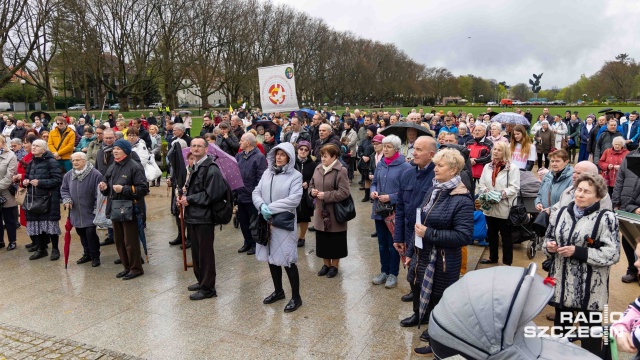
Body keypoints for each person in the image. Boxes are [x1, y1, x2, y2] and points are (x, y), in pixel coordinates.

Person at [405, 149, 474, 356]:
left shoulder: (462, 199)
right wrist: (410, 250)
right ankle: (424, 322)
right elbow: (420, 221)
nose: (435, 169)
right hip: (422, 255)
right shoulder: (435, 190)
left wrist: (429, 233)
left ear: (454, 170)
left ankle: (437, 343)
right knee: (420, 289)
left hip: (442, 262)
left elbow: (463, 237)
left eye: (440, 166)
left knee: (440, 303)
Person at [544, 173, 620, 356]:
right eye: (579, 190)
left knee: (590, 338)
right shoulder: (561, 212)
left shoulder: (606, 218)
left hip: (591, 291)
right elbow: (548, 238)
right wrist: (550, 246)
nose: (580, 194)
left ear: (598, 196)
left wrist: (578, 252)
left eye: (587, 192)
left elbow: (612, 254)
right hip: (562, 287)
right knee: (561, 336)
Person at [251, 142, 303, 312]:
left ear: (289, 157)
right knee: (271, 257)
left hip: (283, 222)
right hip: (266, 221)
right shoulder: (268, 172)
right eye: (277, 154)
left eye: (282, 154)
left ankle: (296, 297)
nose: (279, 157)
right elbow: (256, 192)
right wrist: (261, 206)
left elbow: (294, 199)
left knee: (287, 259)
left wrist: (270, 208)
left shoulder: (295, 175)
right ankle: (278, 291)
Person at [176, 138, 228, 300]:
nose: (196, 148)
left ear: (206, 149)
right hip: (194, 216)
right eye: (193, 146)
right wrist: (184, 194)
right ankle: (201, 281)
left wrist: (190, 199)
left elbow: (212, 194)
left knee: (205, 254)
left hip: (204, 218)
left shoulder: (211, 169)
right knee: (197, 252)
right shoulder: (195, 167)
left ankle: (208, 288)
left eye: (199, 146)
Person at [98, 139, 148, 280]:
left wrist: (124, 189)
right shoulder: (113, 165)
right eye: (114, 149)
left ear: (126, 151)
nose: (115, 151)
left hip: (130, 209)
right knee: (119, 240)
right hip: (115, 208)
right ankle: (127, 267)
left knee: (130, 241)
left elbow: (143, 189)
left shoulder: (134, 166)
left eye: (118, 149)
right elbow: (108, 185)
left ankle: (136, 268)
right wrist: (104, 187)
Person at [370, 134, 411, 289]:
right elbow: (374, 183)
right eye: (384, 146)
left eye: (388, 147)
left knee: (394, 243)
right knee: (381, 244)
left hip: (394, 213)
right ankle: (384, 271)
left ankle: (393, 273)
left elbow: (407, 192)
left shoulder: (405, 167)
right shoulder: (381, 164)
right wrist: (373, 192)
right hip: (379, 210)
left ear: (396, 149)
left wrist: (391, 197)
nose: (385, 149)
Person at [309, 144, 350, 278]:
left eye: (325, 156)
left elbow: (344, 192)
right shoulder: (318, 168)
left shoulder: (341, 170)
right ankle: (326, 264)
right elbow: (311, 184)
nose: (322, 158)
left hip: (335, 213)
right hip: (321, 212)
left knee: (335, 240)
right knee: (323, 240)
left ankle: (334, 266)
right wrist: (312, 192)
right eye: (321, 156)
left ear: (334, 157)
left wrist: (326, 195)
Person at [478, 142, 520, 266]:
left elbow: (514, 187)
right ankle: (493, 257)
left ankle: (507, 262)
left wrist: (499, 194)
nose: (495, 152)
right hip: (490, 206)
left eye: (499, 150)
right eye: (494, 149)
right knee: (491, 233)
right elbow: (481, 183)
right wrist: (487, 192)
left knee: (506, 236)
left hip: (504, 206)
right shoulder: (487, 166)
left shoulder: (512, 168)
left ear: (505, 152)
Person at [61, 152, 104, 267]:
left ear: (84, 161)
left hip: (90, 211)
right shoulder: (69, 175)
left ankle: (95, 256)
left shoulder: (95, 174)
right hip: (76, 211)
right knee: (81, 232)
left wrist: (97, 208)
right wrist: (67, 199)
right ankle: (87, 254)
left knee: (90, 233)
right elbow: (64, 189)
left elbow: (99, 193)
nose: (75, 162)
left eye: (77, 160)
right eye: (73, 160)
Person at [23, 139, 63, 260]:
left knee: (51, 224)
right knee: (37, 223)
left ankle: (55, 249)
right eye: (33, 145)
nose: (33, 147)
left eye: (37, 146)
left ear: (44, 150)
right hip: (34, 198)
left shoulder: (52, 162)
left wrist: (40, 182)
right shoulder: (31, 162)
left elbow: (57, 180)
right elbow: (27, 177)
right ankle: (41, 249)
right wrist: (25, 182)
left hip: (49, 198)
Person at [235, 133, 267, 255]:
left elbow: (261, 178)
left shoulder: (259, 157)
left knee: (254, 222)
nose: (239, 142)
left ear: (248, 143)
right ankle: (247, 242)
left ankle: (255, 243)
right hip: (240, 194)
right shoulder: (239, 155)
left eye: (241, 140)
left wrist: (257, 194)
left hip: (252, 195)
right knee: (243, 221)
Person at [612, 145, 640, 284]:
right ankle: (632, 269)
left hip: (638, 205)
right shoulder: (630, 156)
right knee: (628, 237)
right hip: (627, 203)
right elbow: (620, 179)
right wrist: (616, 200)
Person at [535, 149, 574, 214]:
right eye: (552, 161)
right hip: (544, 214)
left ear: (566, 162)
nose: (554, 164)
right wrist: (538, 202)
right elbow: (539, 194)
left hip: (560, 215)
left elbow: (568, 201)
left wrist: (551, 210)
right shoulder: (547, 176)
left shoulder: (572, 178)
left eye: (557, 161)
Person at [294, 140, 316, 248]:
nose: (303, 151)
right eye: (301, 149)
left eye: (306, 150)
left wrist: (307, 183)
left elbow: (315, 178)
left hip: (305, 194)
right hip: (293, 193)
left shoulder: (312, 164)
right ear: (297, 150)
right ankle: (292, 236)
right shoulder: (292, 162)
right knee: (293, 215)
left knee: (304, 217)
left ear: (309, 151)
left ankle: (302, 237)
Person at [0, 135, 18, 250]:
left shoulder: (11, 155)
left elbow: (9, 175)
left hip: (5, 191)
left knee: (9, 218)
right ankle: (0, 240)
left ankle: (12, 241)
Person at [357, 125, 376, 202]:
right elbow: (360, 149)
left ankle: (372, 196)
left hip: (372, 163)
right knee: (366, 179)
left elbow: (376, 151)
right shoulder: (365, 140)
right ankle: (366, 196)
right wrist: (362, 156)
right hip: (364, 163)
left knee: (372, 180)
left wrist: (370, 157)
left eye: (369, 130)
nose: (367, 132)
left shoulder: (376, 140)